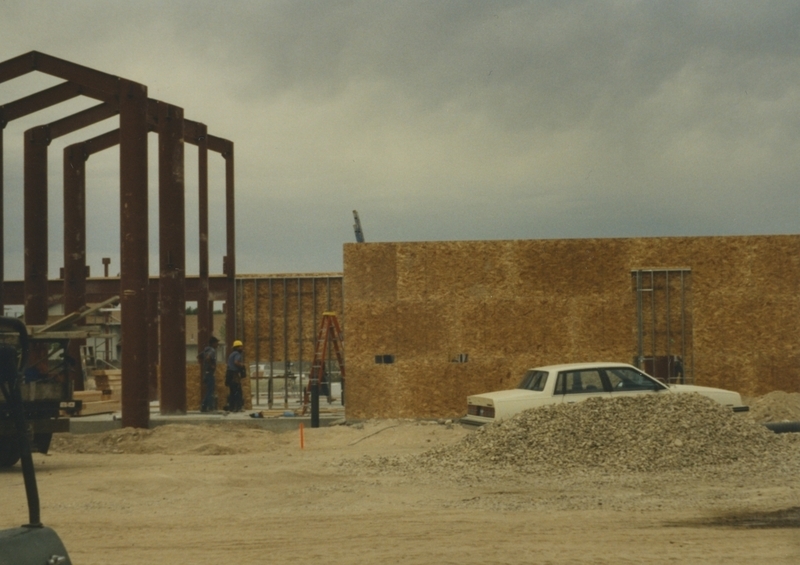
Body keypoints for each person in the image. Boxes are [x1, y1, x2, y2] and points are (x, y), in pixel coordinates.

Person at [199, 336, 219, 412]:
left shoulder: (205, 350)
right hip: (210, 373)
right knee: (210, 391)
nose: (217, 345)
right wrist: (211, 365)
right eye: (217, 343)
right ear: (213, 343)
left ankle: (204, 407)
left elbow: (199, 356)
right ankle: (208, 407)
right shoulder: (212, 350)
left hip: (205, 373)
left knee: (209, 390)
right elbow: (208, 358)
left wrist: (204, 365)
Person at [225, 339, 245, 412]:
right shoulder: (237, 354)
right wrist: (241, 365)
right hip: (234, 374)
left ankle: (232, 407)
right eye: (241, 347)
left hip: (229, 374)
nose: (242, 348)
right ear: (237, 347)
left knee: (232, 392)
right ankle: (238, 407)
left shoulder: (231, 354)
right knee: (237, 391)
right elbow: (236, 362)